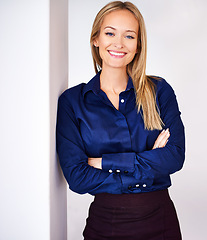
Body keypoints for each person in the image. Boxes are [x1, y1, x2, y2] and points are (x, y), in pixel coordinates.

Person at [56, 1, 185, 239]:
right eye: (110, 33)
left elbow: (174, 157)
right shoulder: (73, 102)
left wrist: (102, 162)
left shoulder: (159, 91)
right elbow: (77, 178)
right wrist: (148, 165)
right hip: (106, 225)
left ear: (138, 45)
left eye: (129, 36)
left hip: (161, 223)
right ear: (96, 39)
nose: (118, 43)